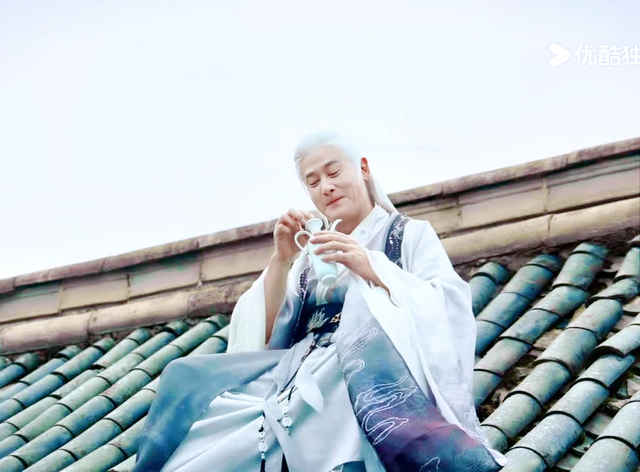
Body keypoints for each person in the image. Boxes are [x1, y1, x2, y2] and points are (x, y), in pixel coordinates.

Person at [133, 132, 507, 472]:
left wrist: (372, 267)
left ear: (363, 169)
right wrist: (281, 261)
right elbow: (269, 336)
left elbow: (448, 304)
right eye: (313, 182)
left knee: (349, 359)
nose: (326, 187)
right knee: (188, 379)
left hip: (366, 369)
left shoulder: (407, 235)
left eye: (334, 172)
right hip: (298, 368)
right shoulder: (308, 258)